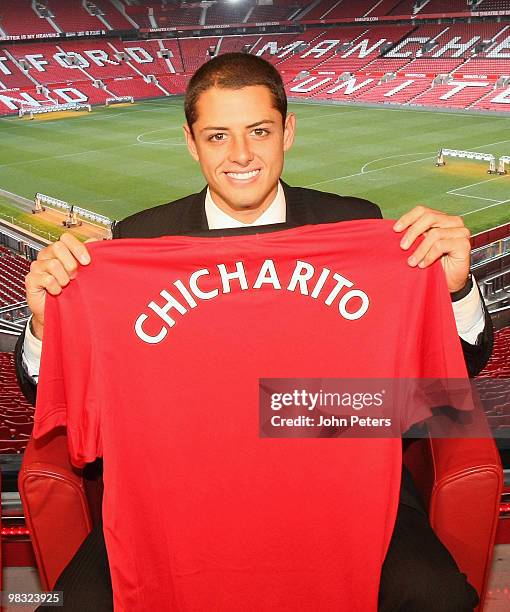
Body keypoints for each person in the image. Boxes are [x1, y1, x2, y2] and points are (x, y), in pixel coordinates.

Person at [16, 53, 491, 611]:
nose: (240, 155)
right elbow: (43, 394)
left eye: (259, 131)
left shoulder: (357, 225)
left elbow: (446, 382)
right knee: (73, 604)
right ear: (192, 144)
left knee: (441, 598)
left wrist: (454, 291)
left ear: (287, 131)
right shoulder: (138, 241)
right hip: (174, 497)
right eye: (218, 136)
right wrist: (47, 323)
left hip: (343, 492)